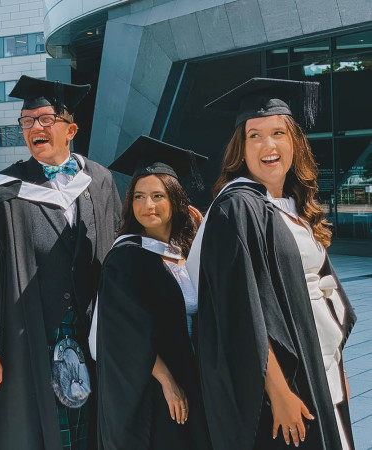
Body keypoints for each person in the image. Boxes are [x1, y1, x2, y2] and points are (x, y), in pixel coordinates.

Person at [186, 78, 357, 449]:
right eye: (255, 135)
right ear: (240, 149)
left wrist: (336, 366)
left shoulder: (294, 206)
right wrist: (279, 394)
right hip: (288, 379)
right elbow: (242, 313)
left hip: (322, 366)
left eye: (278, 132)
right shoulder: (237, 208)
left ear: (294, 140)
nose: (269, 145)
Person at [0, 75, 122, 450]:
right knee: (41, 431)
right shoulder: (2, 191)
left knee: (88, 431)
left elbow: (118, 250)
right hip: (30, 337)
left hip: (91, 333)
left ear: (70, 129)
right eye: (27, 121)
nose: (35, 127)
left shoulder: (97, 180)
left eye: (45, 119)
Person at [91, 135, 212, 450]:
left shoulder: (185, 252)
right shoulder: (126, 257)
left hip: (191, 373)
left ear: (176, 199)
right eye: (139, 196)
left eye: (158, 195)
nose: (147, 205)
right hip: (153, 385)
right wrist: (168, 381)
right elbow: (123, 334)